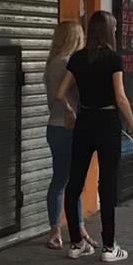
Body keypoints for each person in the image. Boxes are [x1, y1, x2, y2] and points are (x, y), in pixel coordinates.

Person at [55, 11, 133, 262]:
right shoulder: (113, 59)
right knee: (106, 185)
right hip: (107, 123)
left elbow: (61, 93)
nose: (116, 31)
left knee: (74, 184)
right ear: (107, 31)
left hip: (85, 122)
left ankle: (75, 243)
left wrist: (72, 112)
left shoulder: (77, 58)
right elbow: (120, 97)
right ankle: (108, 247)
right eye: (114, 27)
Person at [43, 21, 93, 250]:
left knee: (68, 180)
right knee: (66, 180)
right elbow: (64, 94)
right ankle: (62, 229)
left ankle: (71, 228)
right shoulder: (64, 64)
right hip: (64, 125)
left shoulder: (53, 62)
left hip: (58, 126)